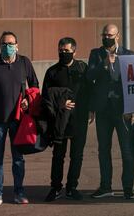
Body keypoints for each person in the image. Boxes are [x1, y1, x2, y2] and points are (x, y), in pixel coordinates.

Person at [0, 31, 39, 206]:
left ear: (17, 45)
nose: (7, 47)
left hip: (18, 121)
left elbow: (34, 85)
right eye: (4, 44)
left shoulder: (24, 62)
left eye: (11, 44)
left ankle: (19, 193)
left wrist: (29, 100)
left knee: (18, 159)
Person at [86, 24, 134, 199]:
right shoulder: (96, 54)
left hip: (123, 111)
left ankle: (128, 188)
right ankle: (105, 186)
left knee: (127, 151)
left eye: (110, 35)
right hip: (103, 110)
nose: (106, 37)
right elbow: (89, 77)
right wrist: (104, 64)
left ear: (118, 36)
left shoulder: (129, 55)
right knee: (103, 150)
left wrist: (132, 108)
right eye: (104, 34)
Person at [42, 37, 90, 202]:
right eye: (61, 51)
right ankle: (55, 188)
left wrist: (91, 111)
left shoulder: (83, 68)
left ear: (74, 52)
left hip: (79, 119)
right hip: (59, 122)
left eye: (67, 51)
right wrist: (60, 104)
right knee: (58, 156)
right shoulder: (52, 71)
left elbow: (89, 91)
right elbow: (45, 97)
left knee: (77, 156)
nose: (63, 54)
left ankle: (72, 187)